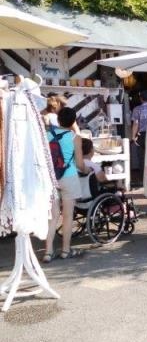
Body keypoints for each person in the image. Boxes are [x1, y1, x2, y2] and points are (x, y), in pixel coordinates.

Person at [43, 107, 86, 263]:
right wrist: (87, 169)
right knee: (67, 216)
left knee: (52, 217)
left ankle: (48, 252)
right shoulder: (75, 138)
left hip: (51, 179)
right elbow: (80, 164)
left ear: (58, 120)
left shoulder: (46, 136)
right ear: (73, 121)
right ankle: (66, 250)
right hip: (68, 177)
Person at [131, 90, 147, 177]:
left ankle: (144, 177)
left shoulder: (137, 109)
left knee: (142, 156)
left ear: (141, 99)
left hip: (142, 135)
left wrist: (133, 136)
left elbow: (136, 123)